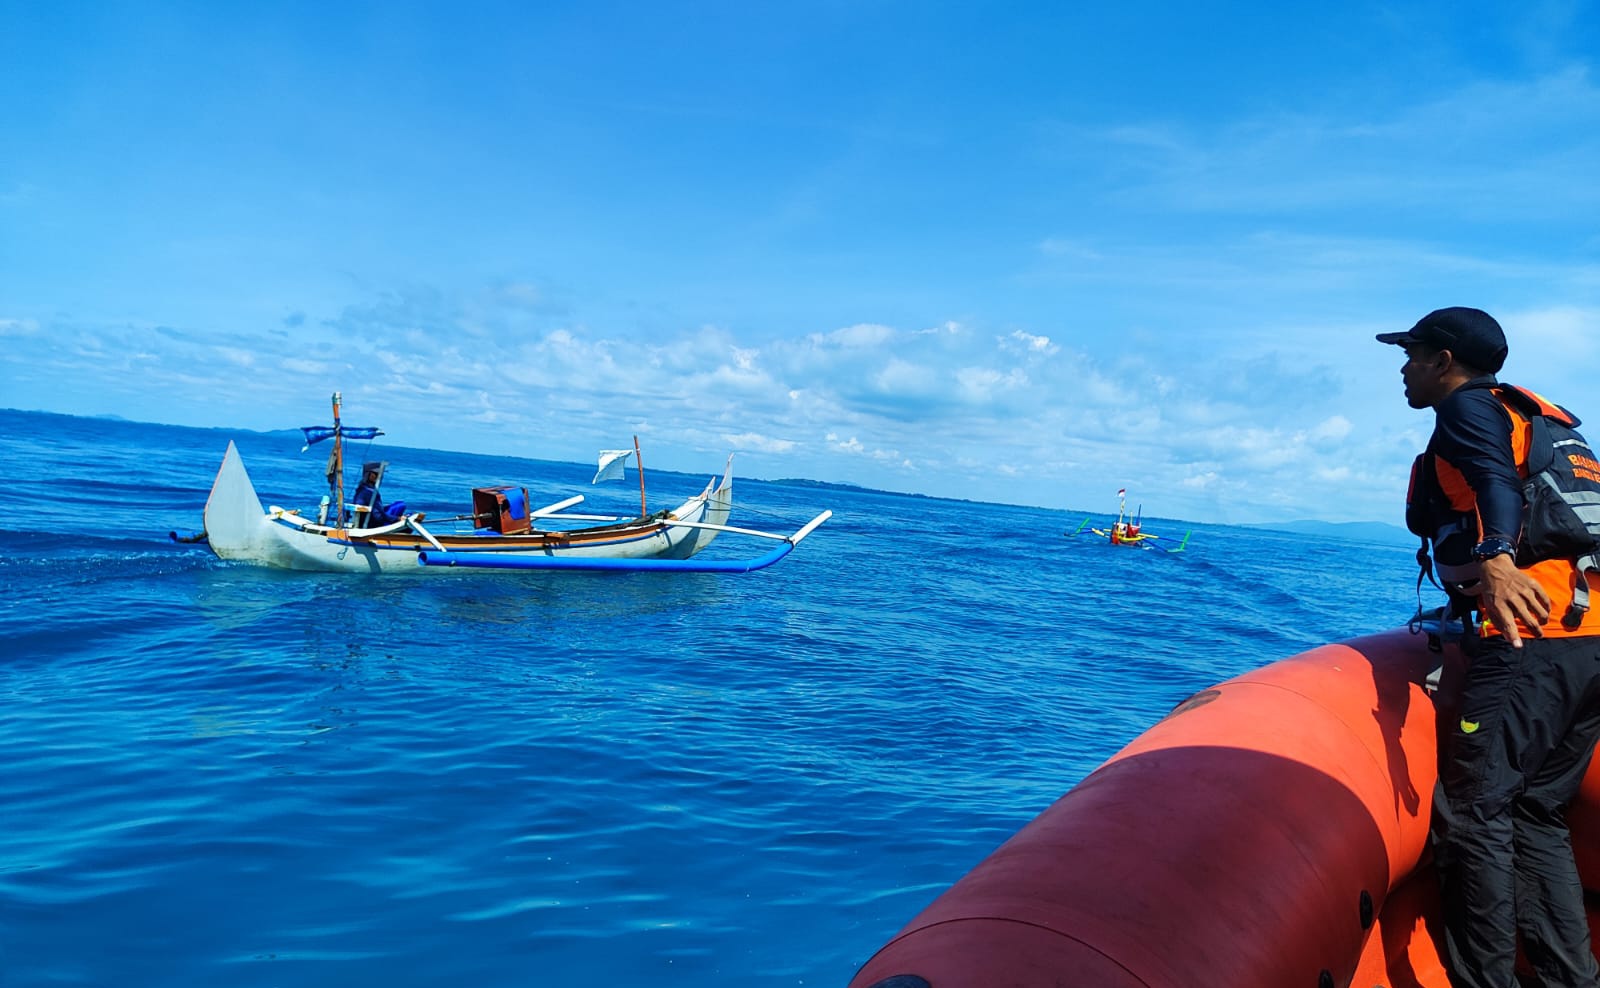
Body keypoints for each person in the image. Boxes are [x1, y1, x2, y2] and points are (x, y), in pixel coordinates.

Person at [1380, 306, 1600, 988]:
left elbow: (1498, 486)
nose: (1403, 367)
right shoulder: (1543, 420)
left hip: (1529, 636)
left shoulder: (1469, 410)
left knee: (1475, 813)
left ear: (1445, 361)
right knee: (1535, 812)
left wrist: (1498, 558)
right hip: (1587, 637)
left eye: (1413, 354)